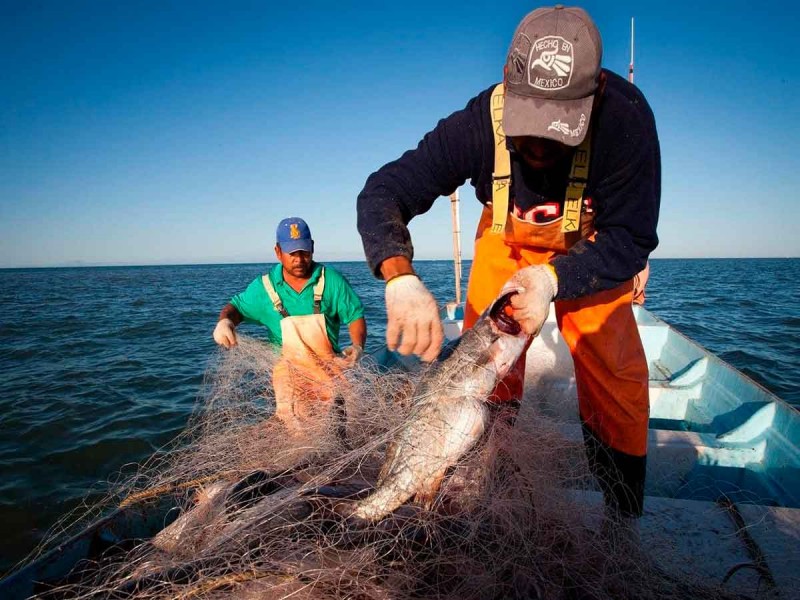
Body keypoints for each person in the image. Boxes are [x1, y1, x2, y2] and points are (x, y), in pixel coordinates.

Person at [356, 6, 660, 532]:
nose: (539, 148)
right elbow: (384, 191)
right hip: (507, 244)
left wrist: (552, 279)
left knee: (614, 373)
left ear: (595, 99)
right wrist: (398, 274)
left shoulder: (626, 121)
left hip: (588, 252)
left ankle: (621, 524)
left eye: (558, 130)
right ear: (507, 86)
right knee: (484, 369)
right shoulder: (475, 124)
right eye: (528, 128)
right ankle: (478, 487)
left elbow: (630, 238)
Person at [213, 217, 367, 430]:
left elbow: (355, 316)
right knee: (297, 428)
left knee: (338, 426)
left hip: (329, 371)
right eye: (292, 253)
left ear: (312, 248)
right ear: (278, 252)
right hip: (289, 377)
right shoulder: (264, 288)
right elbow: (235, 308)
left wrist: (357, 345)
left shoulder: (331, 280)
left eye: (304, 251)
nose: (299, 259)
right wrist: (225, 322)